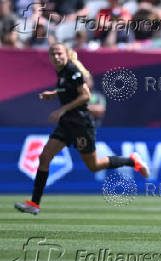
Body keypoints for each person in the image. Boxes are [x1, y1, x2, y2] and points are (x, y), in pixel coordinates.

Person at [14, 42, 149, 215]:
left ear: (66, 54)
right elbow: (68, 89)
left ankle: (132, 161)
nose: (56, 57)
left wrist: (62, 109)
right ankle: (34, 204)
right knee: (45, 157)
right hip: (66, 124)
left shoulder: (72, 70)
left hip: (80, 125)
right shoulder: (62, 72)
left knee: (94, 165)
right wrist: (54, 94)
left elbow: (86, 95)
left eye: (59, 54)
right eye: (53, 54)